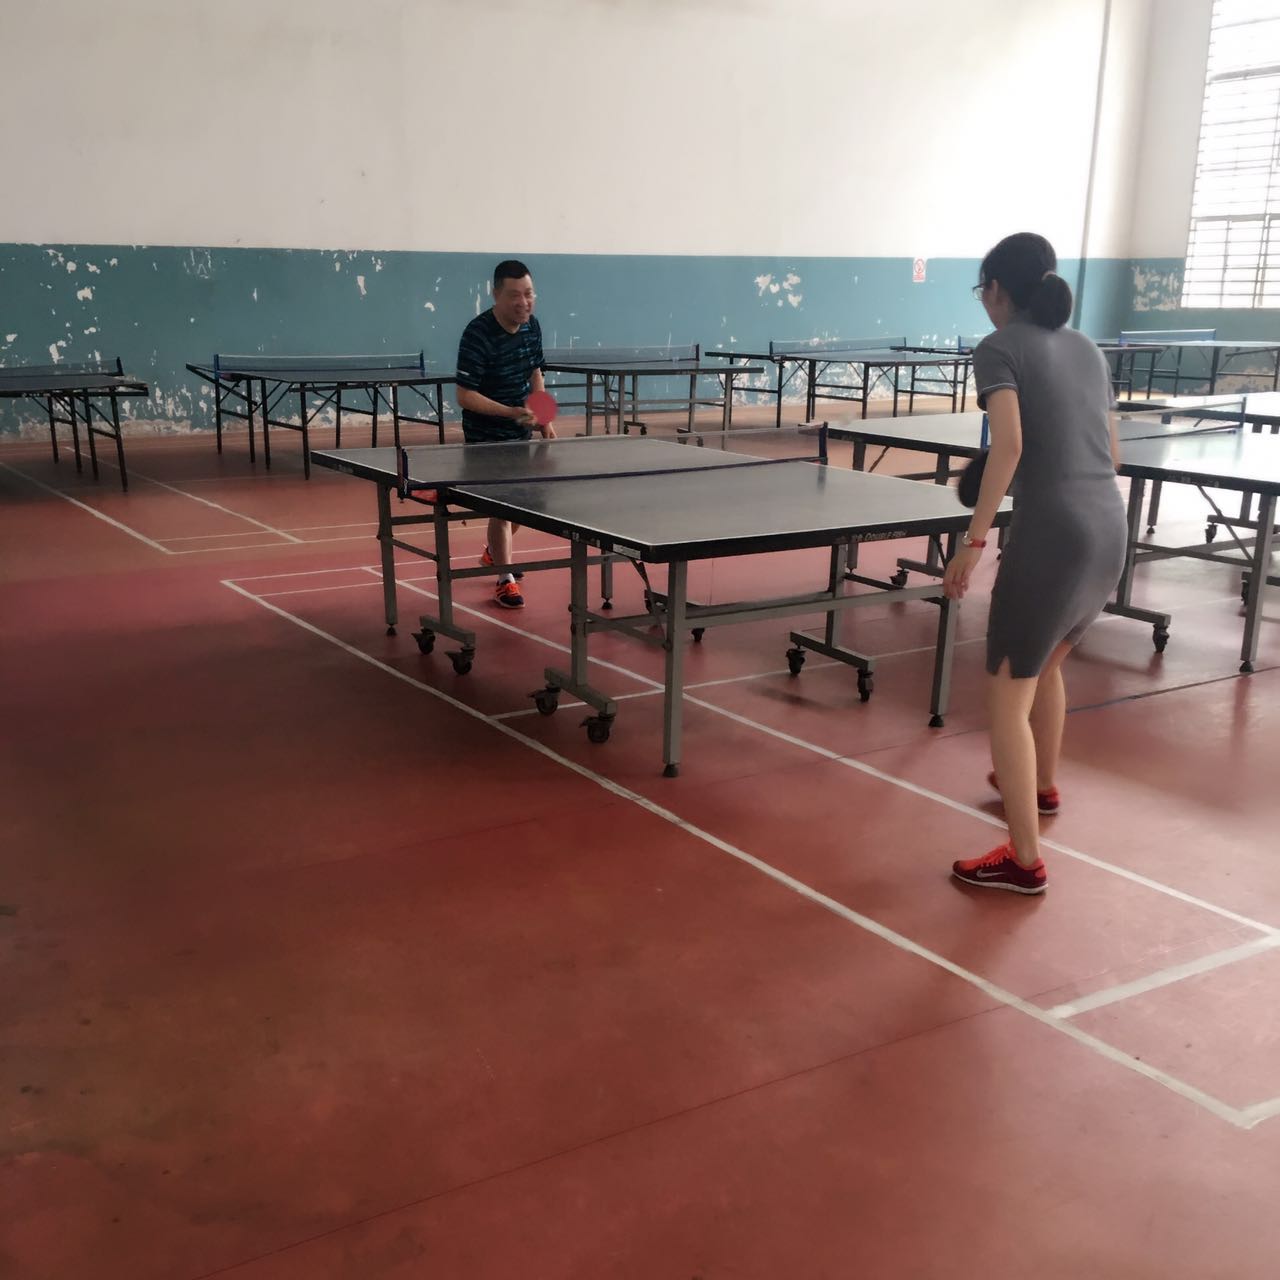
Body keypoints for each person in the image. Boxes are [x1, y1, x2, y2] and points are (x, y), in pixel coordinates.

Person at [944, 232, 1126, 895]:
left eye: (982, 290)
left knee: (1005, 694)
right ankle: (1042, 786)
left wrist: (972, 543)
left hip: (1053, 536)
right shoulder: (1087, 348)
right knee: (1046, 666)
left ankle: (1023, 859)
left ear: (996, 289)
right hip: (1109, 527)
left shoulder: (998, 348)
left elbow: (1011, 446)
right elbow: (1111, 453)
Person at [455, 259, 556, 609]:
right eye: (515, 295)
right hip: (484, 438)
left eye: (529, 294)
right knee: (503, 507)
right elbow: (464, 395)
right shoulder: (477, 334)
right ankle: (505, 579)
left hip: (521, 433)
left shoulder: (532, 327)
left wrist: (543, 416)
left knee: (526, 503)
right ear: (496, 294)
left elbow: (535, 370)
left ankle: (494, 554)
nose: (523, 302)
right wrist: (511, 412)